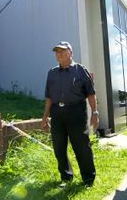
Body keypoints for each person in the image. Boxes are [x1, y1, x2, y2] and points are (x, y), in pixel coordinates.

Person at [41, 41, 99, 187]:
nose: (59, 54)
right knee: (59, 147)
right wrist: (45, 115)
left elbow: (91, 93)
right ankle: (66, 177)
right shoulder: (52, 73)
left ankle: (88, 179)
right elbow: (48, 96)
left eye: (62, 51)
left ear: (70, 53)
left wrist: (95, 112)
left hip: (76, 112)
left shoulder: (80, 70)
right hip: (57, 113)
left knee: (81, 147)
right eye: (57, 51)